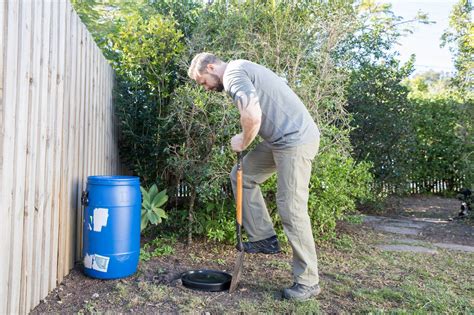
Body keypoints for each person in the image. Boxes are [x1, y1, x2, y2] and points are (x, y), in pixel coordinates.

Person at [188, 53, 321, 301]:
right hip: (279, 141)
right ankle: (263, 238)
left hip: (295, 140)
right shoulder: (240, 71)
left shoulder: (234, 75)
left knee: (291, 208)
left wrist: (243, 140)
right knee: (242, 175)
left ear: (211, 67)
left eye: (203, 81)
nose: (205, 87)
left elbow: (252, 115)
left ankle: (308, 281)